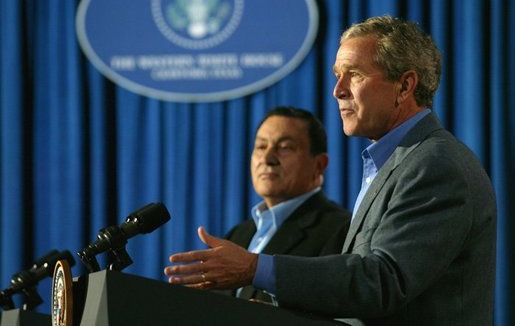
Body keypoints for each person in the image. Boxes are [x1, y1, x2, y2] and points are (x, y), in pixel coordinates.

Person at [164, 16, 497, 326]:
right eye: (337, 75)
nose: (337, 90)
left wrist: (255, 268)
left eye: (354, 75)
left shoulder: (435, 164)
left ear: (405, 85)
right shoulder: (398, 162)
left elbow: (381, 283)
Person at [223, 106, 351, 303]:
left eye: (284, 147)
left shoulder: (342, 230)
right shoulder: (236, 235)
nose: (267, 159)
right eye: (261, 147)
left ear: (319, 165)